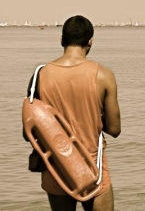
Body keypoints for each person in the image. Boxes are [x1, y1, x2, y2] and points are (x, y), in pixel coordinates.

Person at [23, 15, 121, 211]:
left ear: (61, 39)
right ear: (90, 41)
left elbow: (28, 133)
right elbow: (115, 129)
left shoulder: (40, 75)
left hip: (56, 170)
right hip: (94, 170)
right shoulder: (104, 75)